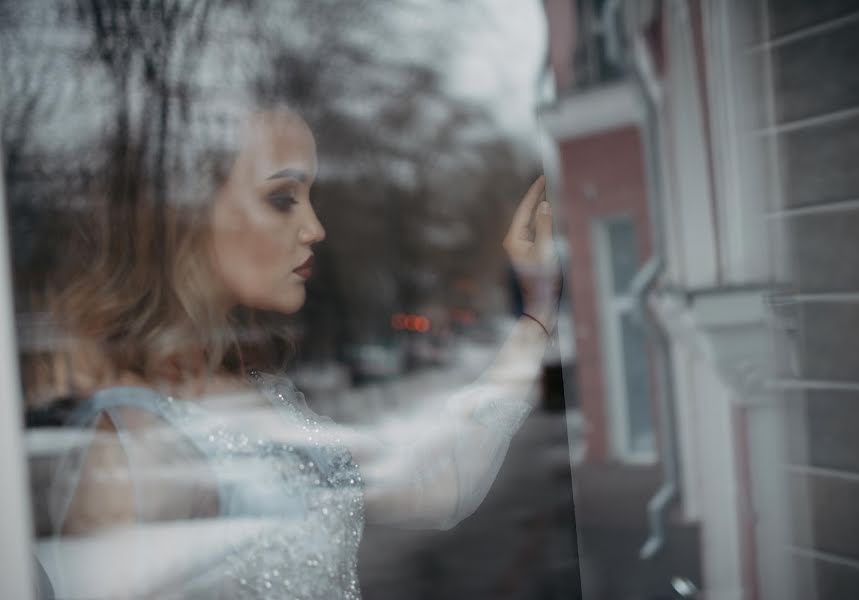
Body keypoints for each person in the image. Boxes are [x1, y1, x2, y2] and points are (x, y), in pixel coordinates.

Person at [7, 7, 560, 600]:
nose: (316, 228)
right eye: (282, 199)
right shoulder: (130, 451)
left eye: (310, 196)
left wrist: (537, 309)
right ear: (189, 219)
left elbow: (440, 490)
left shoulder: (267, 401)